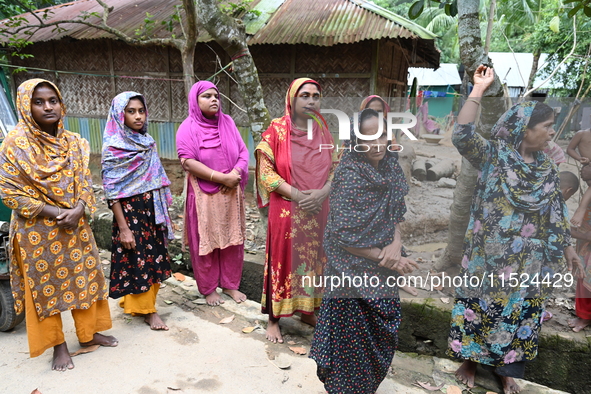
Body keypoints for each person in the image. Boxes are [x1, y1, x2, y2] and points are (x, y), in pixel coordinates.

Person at [447, 66, 582, 394]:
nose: (552, 133)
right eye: (547, 127)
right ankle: (470, 361)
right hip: (487, 257)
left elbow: (556, 215)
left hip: (528, 263)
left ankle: (505, 370)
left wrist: (569, 251)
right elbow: (462, 134)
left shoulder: (548, 169)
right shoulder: (493, 156)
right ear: (525, 128)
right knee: (478, 307)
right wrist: (479, 88)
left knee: (519, 314)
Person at [0, 79, 117, 371]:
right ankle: (57, 345)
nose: (48, 106)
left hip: (75, 225)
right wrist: (54, 211)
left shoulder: (75, 143)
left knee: (84, 278)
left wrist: (80, 208)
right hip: (36, 232)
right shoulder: (14, 146)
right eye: (38, 102)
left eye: (52, 100)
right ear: (26, 107)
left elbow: (87, 184)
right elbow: (10, 192)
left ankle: (89, 333)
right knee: (46, 288)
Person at [309, 109, 419, 393]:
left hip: (382, 269)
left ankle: (365, 387)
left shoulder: (391, 165)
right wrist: (388, 259)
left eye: (381, 135)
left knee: (379, 335)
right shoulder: (349, 174)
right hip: (350, 270)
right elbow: (344, 238)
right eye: (367, 138)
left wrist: (395, 244)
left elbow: (396, 212)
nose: (377, 143)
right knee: (350, 341)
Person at [255, 78, 337, 343]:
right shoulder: (277, 130)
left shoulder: (323, 129)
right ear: (292, 99)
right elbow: (266, 173)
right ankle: (273, 319)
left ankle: (307, 311)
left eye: (316, 95)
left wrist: (323, 192)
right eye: (304, 95)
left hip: (318, 210)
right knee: (283, 260)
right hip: (288, 210)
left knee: (314, 261)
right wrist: (300, 195)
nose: (311, 101)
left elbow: (336, 168)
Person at [101, 92, 174, 330]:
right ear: (119, 114)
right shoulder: (113, 148)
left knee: (152, 258)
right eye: (131, 111)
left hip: (151, 210)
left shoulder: (147, 143)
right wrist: (123, 228)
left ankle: (137, 302)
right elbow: (112, 192)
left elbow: (156, 179)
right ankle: (149, 312)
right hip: (129, 214)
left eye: (141, 110)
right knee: (137, 258)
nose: (138, 116)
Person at [176, 81, 249, 307]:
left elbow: (243, 152)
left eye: (216, 95)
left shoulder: (228, 122)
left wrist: (235, 173)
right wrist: (221, 178)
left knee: (232, 240)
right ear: (195, 102)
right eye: (206, 96)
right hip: (202, 196)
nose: (214, 99)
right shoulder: (187, 128)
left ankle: (230, 285)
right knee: (205, 241)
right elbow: (187, 161)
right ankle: (208, 289)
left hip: (230, 192)